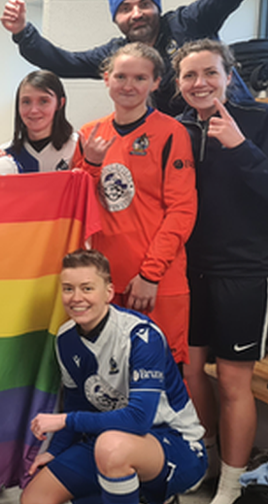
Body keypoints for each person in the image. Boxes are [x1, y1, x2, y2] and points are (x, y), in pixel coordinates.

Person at [0, 0, 268, 116]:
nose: (137, 13)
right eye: (126, 9)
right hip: (181, 141)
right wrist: (23, 32)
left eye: (145, 4)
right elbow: (63, 62)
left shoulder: (190, 23)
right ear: (116, 19)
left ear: (157, 9)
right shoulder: (118, 54)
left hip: (235, 122)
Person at [21, 249, 206, 504]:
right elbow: (77, 402)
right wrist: (55, 451)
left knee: (112, 448)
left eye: (87, 288)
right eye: (68, 289)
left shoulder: (141, 336)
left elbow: (139, 420)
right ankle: (142, 497)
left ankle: (151, 493)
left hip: (174, 445)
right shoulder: (65, 338)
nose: (76, 298)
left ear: (108, 292)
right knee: (35, 498)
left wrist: (64, 420)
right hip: (108, 440)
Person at [172, 39, 268, 504]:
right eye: (190, 76)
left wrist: (242, 147)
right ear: (178, 84)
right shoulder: (175, 130)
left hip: (242, 271)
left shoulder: (259, 122)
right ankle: (205, 461)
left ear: (229, 76)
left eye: (210, 73)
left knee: (232, 380)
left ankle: (231, 483)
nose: (200, 83)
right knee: (191, 373)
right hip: (187, 271)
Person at [72, 42, 196, 365]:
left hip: (157, 282)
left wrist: (151, 275)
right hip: (106, 281)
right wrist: (92, 163)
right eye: (121, 76)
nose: (129, 85)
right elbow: (77, 203)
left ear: (155, 82)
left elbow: (182, 210)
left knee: (161, 380)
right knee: (110, 375)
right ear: (106, 78)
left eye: (140, 78)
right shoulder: (90, 134)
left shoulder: (172, 133)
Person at [5, 70, 77, 172]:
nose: (34, 110)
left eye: (44, 101)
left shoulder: (76, 148)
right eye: (26, 102)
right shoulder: (6, 154)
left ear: (60, 103)